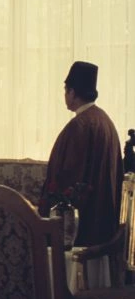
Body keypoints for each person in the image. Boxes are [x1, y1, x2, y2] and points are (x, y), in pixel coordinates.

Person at [44, 61, 123, 247]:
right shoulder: (104, 120)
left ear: (72, 92)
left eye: (65, 91)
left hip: (84, 225)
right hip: (103, 220)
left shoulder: (80, 125)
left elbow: (69, 177)